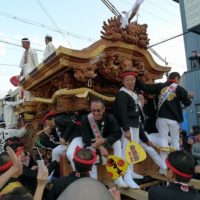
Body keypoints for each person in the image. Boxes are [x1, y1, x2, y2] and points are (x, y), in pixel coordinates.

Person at [137, 72, 193, 163]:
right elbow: (187, 103)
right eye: (179, 80)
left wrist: (137, 77)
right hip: (174, 120)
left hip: (162, 119)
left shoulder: (160, 86)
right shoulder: (180, 89)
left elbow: (145, 88)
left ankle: (164, 164)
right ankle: (176, 163)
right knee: (175, 140)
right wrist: (191, 97)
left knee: (164, 140)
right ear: (176, 79)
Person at [81, 98, 127, 188]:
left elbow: (117, 133)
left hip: (105, 141)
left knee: (117, 143)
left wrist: (104, 140)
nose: (96, 113)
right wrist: (100, 147)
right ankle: (94, 181)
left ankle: (118, 177)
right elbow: (86, 140)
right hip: (92, 144)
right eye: (93, 110)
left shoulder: (109, 117)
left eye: (98, 110)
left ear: (103, 109)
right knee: (89, 150)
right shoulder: (86, 119)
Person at [113, 71, 143, 189]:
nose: (130, 82)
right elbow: (122, 113)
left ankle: (131, 171)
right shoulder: (122, 94)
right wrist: (126, 129)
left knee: (132, 150)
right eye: (128, 80)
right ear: (123, 81)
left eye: (132, 80)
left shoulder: (133, 93)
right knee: (126, 151)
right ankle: (126, 176)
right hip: (127, 126)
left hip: (135, 125)